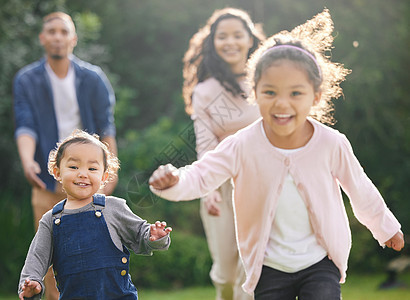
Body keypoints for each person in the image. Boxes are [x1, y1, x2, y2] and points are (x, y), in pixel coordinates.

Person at [149, 9, 404, 299]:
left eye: (295, 93)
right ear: (254, 93)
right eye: (270, 93)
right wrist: (174, 183)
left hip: (321, 262)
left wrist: (385, 228)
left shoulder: (331, 143)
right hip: (268, 267)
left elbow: (360, 189)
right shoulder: (242, 144)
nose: (282, 104)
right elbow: (202, 174)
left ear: (316, 96)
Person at [13, 11, 118, 299]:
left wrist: (111, 171)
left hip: (87, 179)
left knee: (94, 253)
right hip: (48, 182)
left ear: (73, 39)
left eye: (63, 32)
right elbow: (25, 125)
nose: (58, 37)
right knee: (47, 254)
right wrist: (27, 160)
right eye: (52, 31)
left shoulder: (93, 78)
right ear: (42, 38)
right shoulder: (27, 80)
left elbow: (107, 126)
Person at [18, 129, 172, 300]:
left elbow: (140, 233)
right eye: (73, 166)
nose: (83, 173)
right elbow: (37, 258)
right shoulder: (51, 220)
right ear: (57, 172)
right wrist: (31, 283)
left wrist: (154, 236)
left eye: (92, 168)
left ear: (104, 176)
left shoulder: (112, 207)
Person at [182, 7, 265, 300]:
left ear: (250, 39)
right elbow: (205, 145)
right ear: (213, 42)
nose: (230, 42)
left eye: (237, 35)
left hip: (264, 180)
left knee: (252, 265)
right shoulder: (205, 90)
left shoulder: (265, 80)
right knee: (227, 271)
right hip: (222, 181)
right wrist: (209, 188)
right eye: (222, 36)